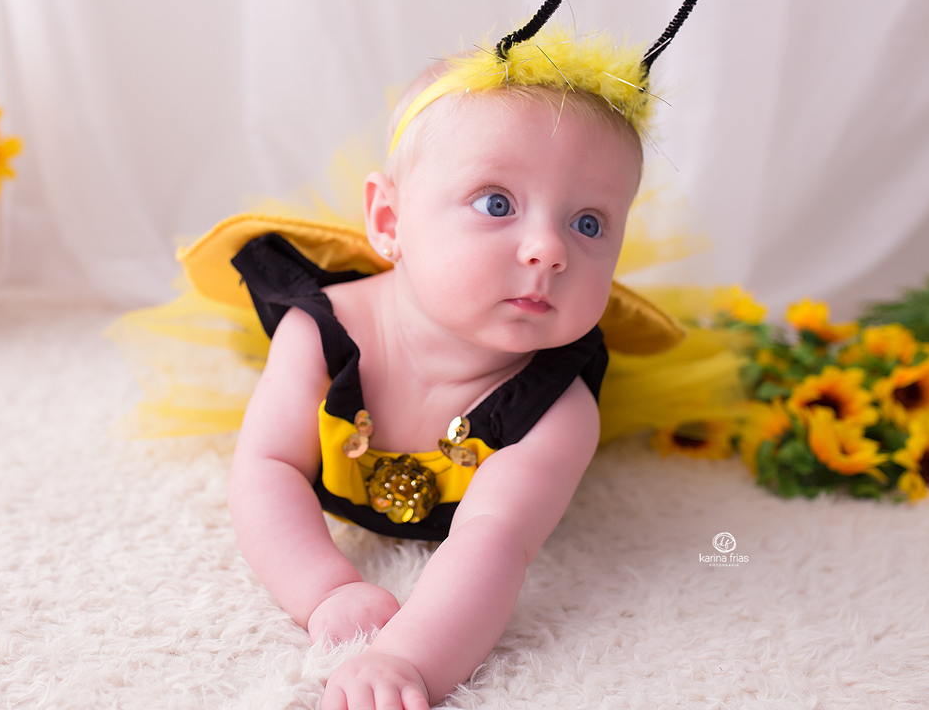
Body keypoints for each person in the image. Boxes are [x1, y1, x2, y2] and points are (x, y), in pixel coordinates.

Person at [227, 69, 642, 709]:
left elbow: (496, 538)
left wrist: (408, 659)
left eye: (589, 223)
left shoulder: (557, 407)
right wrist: (324, 588)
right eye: (496, 203)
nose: (549, 250)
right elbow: (267, 466)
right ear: (389, 220)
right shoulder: (321, 334)